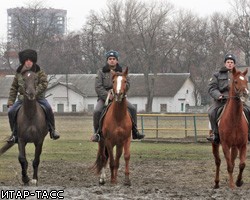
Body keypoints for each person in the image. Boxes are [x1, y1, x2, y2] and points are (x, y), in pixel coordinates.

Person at [91, 50, 145, 142]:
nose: (112, 60)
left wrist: (120, 92)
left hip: (120, 96)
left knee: (132, 108)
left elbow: (127, 84)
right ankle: (97, 133)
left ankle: (135, 131)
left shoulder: (122, 72)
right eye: (110, 59)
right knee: (97, 111)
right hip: (105, 98)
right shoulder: (101, 72)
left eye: (114, 59)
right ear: (107, 60)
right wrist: (107, 95)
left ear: (117, 61)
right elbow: (98, 87)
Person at [7, 49, 60, 143]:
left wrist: (35, 92)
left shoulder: (39, 72)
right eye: (26, 60)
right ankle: (14, 134)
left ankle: (52, 130)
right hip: (22, 99)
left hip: (38, 98)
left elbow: (44, 83)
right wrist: (11, 101)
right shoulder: (19, 73)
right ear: (23, 61)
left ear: (33, 61)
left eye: (30, 60)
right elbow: (14, 88)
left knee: (48, 109)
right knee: (11, 111)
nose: (28, 62)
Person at [207, 53, 250, 144]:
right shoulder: (217, 75)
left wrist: (244, 94)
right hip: (221, 101)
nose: (230, 64)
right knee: (211, 112)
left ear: (234, 64)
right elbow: (212, 88)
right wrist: (218, 95)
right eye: (228, 62)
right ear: (225, 63)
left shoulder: (239, 74)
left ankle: (248, 133)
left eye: (231, 62)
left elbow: (243, 86)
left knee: (248, 110)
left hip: (237, 101)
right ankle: (215, 134)